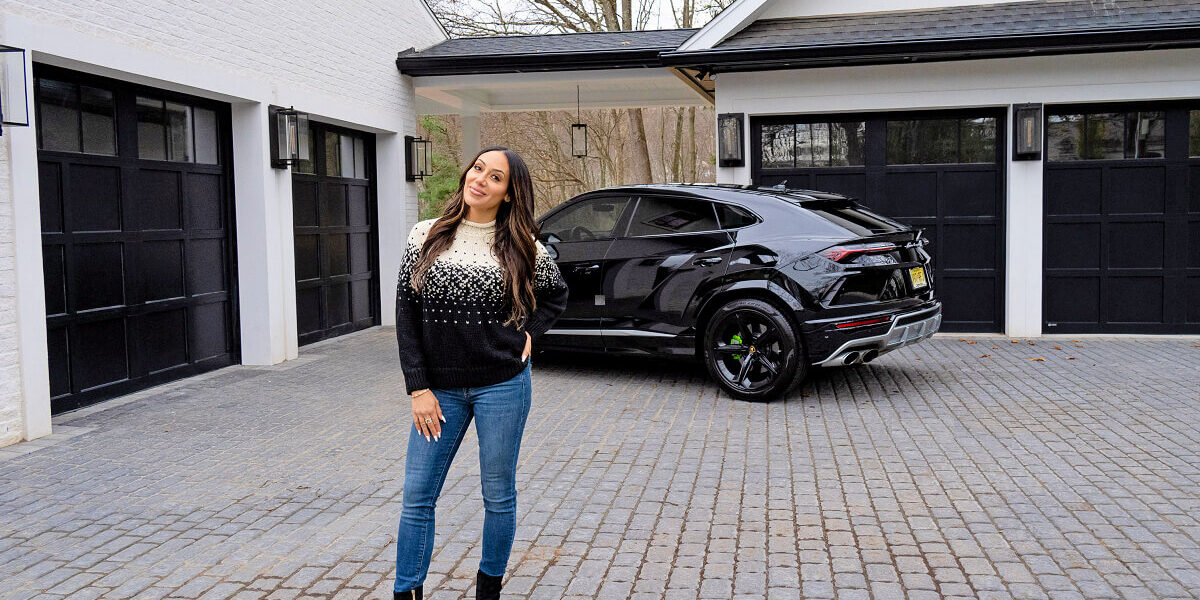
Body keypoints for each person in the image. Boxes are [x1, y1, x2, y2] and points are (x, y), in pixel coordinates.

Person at [393, 146, 568, 600]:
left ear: (509, 194)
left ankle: (488, 589)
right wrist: (418, 388)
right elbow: (406, 314)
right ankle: (406, 590)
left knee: (498, 494)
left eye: (495, 177)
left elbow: (555, 295)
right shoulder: (424, 235)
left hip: (503, 385)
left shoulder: (525, 248)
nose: (480, 180)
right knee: (417, 496)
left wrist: (532, 334)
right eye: (478, 169)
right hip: (439, 391)